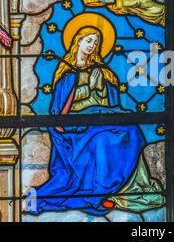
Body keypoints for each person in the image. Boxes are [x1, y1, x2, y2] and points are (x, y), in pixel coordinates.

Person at [27, 25, 164, 216]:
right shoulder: (66, 72)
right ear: (78, 41)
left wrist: (101, 89)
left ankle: (127, 189)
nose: (92, 45)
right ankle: (96, 194)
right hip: (74, 128)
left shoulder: (102, 71)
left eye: (96, 42)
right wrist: (88, 87)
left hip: (99, 120)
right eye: (89, 40)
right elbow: (59, 110)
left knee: (131, 130)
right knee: (102, 140)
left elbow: (110, 103)